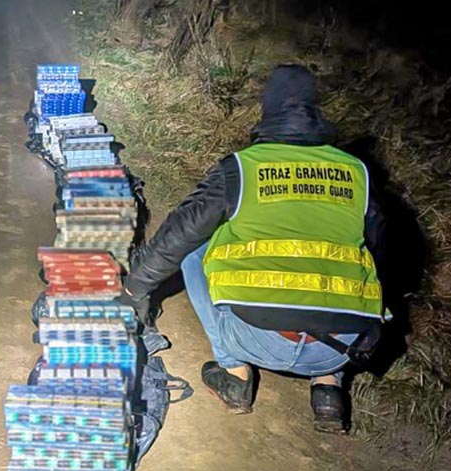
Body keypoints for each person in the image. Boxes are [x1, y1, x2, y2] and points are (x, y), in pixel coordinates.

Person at [119, 64, 389, 430]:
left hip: (259, 339)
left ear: (268, 110)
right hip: (341, 348)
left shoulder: (243, 169)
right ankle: (328, 389)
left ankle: (235, 374)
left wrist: (134, 288)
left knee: (196, 250)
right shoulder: (357, 172)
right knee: (349, 266)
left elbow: (177, 235)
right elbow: (377, 256)